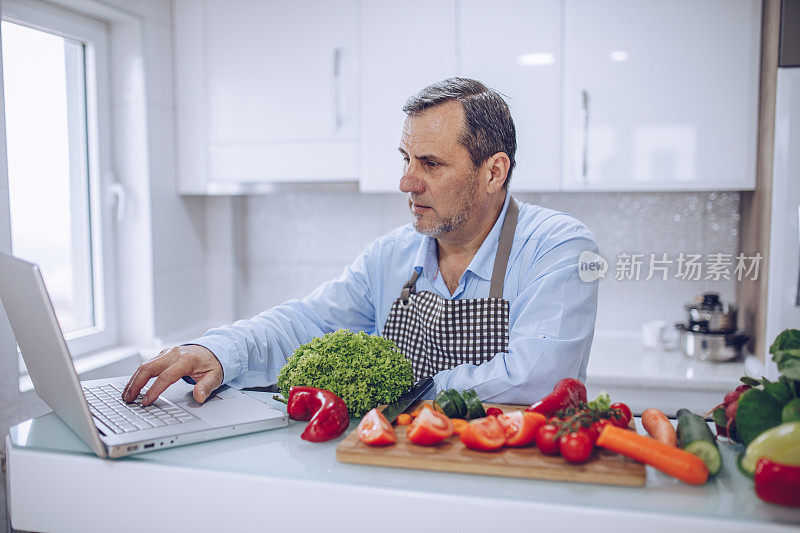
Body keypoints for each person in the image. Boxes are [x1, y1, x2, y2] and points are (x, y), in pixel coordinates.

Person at [123, 77, 599, 407]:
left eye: (430, 164)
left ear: (493, 171)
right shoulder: (390, 256)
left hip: (513, 470)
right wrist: (220, 351)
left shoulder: (558, 248)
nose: (406, 183)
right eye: (405, 159)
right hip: (397, 462)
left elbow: (537, 376)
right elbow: (306, 323)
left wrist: (389, 388)